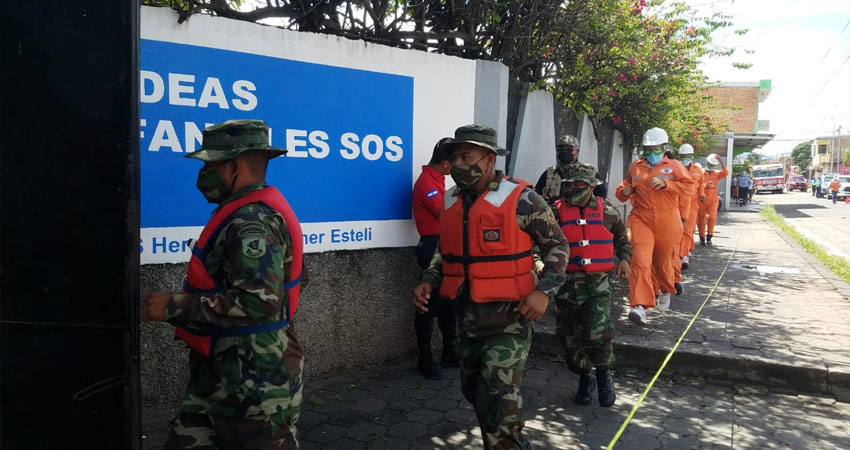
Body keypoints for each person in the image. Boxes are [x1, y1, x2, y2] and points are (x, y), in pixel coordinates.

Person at [140, 120, 306, 450]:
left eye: (211, 164)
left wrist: (173, 306)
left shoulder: (252, 221)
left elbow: (261, 301)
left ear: (235, 165)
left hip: (254, 379)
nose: (205, 173)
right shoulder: (241, 212)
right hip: (223, 372)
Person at [412, 124, 569, 450]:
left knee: (497, 399)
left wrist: (543, 291)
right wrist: (429, 279)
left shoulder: (524, 199)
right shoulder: (450, 200)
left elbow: (558, 248)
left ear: (487, 160)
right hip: (467, 320)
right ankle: (511, 436)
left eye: (465, 156)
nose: (456, 164)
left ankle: (506, 439)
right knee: (475, 391)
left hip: (509, 321)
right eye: (454, 157)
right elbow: (446, 251)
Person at [549, 162, 631, 407]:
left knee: (597, 334)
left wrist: (624, 259)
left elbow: (622, 237)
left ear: (591, 186)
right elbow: (538, 240)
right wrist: (540, 264)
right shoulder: (553, 212)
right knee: (569, 337)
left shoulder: (607, 211)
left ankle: (604, 375)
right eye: (570, 184)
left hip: (598, 284)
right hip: (564, 284)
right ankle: (585, 377)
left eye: (579, 185)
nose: (574, 188)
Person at [616, 127, 694, 325]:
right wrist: (624, 191)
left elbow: (690, 187)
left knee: (663, 263)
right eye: (648, 148)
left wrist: (669, 185)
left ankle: (666, 288)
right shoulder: (636, 166)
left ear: (664, 147)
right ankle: (639, 306)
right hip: (640, 219)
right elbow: (623, 189)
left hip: (668, 220)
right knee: (641, 261)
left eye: (656, 148)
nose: (652, 152)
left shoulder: (674, 166)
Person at [411, 137, 457, 379]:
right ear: (446, 164)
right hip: (431, 247)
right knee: (428, 304)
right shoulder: (428, 182)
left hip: (445, 246)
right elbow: (444, 212)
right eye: (456, 162)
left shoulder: (437, 180)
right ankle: (424, 358)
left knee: (449, 301)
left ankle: (450, 351)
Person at [535, 134, 607, 204]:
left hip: (576, 214)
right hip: (551, 213)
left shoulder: (587, 172)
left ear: (577, 151)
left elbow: (601, 195)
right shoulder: (550, 173)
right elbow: (536, 194)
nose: (565, 152)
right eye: (561, 150)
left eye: (569, 149)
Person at [676, 144, 704, 271]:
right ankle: (675, 254)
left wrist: (702, 194)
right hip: (675, 204)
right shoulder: (675, 168)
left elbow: (701, 184)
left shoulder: (698, 170)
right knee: (676, 230)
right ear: (680, 156)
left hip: (692, 205)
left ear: (692, 156)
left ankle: (683, 256)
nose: (685, 158)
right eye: (683, 156)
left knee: (688, 231)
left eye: (688, 156)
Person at [696, 153, 729, 246]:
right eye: (712, 164)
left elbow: (726, 173)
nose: (714, 166)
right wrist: (705, 185)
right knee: (701, 219)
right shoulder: (701, 173)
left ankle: (709, 236)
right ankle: (702, 237)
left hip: (713, 199)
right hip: (702, 199)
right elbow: (697, 185)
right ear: (708, 163)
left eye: (715, 165)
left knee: (712, 217)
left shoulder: (716, 173)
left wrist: (721, 161)